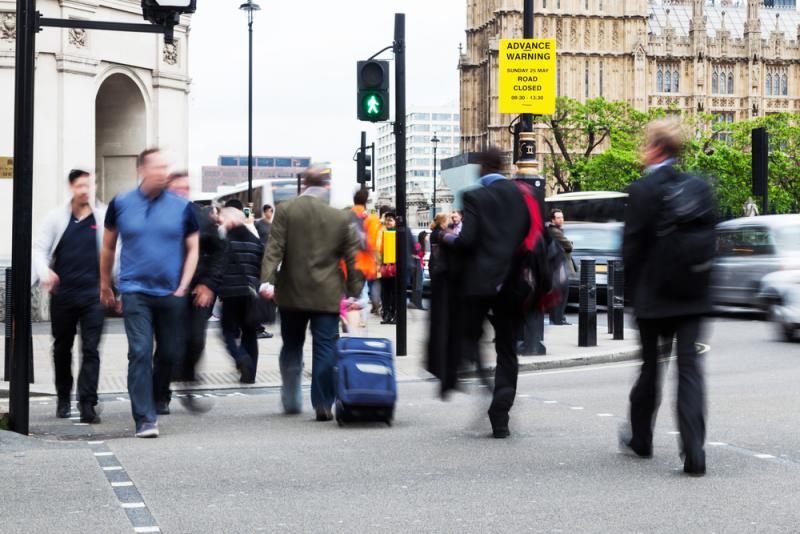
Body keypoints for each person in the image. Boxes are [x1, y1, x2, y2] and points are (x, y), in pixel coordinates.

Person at [620, 119, 715, 476]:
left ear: (656, 149)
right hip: (693, 296)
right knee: (689, 371)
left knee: (651, 369)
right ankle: (694, 451)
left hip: (654, 297)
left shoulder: (643, 190)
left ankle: (641, 438)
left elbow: (631, 249)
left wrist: (630, 298)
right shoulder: (699, 186)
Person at [436, 148, 538, 439]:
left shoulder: (475, 197)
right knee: (507, 350)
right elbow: (529, 235)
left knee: (468, 336)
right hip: (512, 284)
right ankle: (501, 413)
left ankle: (480, 378)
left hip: (480, 285)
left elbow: (467, 241)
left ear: (483, 167)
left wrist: (444, 237)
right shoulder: (522, 195)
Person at [100, 148, 199, 438]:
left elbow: (193, 248)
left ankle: (156, 397)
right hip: (135, 290)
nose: (164, 172)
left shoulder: (182, 207)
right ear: (142, 170)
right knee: (140, 351)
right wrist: (105, 284)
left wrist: (184, 284)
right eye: (158, 167)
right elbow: (107, 247)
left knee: (169, 353)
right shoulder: (120, 203)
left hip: (171, 293)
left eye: (166, 167)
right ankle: (145, 418)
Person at [260, 168, 362, 421]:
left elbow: (275, 248)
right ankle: (323, 403)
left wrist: (267, 281)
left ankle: (292, 397)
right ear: (326, 186)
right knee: (326, 348)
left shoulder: (286, 209)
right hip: (326, 295)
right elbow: (352, 258)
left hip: (291, 293)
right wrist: (354, 292)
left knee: (292, 345)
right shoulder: (339, 217)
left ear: (304, 184)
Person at [32, 169, 108, 423]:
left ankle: (88, 403)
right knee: (62, 348)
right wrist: (45, 272)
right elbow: (39, 249)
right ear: (71, 188)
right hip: (63, 294)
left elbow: (114, 251)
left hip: (93, 295)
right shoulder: (56, 218)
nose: (85, 190)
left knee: (91, 349)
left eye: (89, 185)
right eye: (80, 186)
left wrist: (113, 286)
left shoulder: (102, 216)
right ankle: (63, 397)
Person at [164, 172, 226, 408]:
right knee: (168, 343)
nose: (182, 192)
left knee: (195, 340)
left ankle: (187, 380)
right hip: (166, 289)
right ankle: (161, 394)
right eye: (177, 188)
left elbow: (220, 251)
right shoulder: (159, 216)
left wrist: (208, 284)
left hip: (196, 290)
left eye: (186, 188)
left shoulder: (201, 217)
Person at [218, 206, 264, 383]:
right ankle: (250, 375)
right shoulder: (255, 240)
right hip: (250, 294)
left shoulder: (224, 239)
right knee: (250, 332)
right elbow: (261, 266)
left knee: (228, 331)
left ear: (230, 221)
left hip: (230, 294)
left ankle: (240, 357)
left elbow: (218, 267)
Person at [349, 189, 382, 326]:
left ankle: (348, 316)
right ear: (366, 201)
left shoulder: (346, 215)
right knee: (362, 294)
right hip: (363, 263)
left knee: (350, 293)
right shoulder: (370, 218)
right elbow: (373, 244)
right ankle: (360, 320)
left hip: (346, 262)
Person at [547, 208, 574, 325]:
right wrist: (570, 244)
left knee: (560, 293)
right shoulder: (554, 231)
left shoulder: (557, 230)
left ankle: (557, 318)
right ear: (552, 220)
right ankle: (558, 318)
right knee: (561, 293)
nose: (561, 220)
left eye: (562, 217)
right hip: (558, 267)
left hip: (558, 266)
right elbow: (569, 245)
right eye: (558, 218)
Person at [379, 211, 398, 325]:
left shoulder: (398, 233)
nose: (388, 222)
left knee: (395, 293)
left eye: (390, 220)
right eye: (387, 220)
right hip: (385, 267)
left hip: (395, 268)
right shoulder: (382, 233)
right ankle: (386, 314)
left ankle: (395, 314)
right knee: (385, 293)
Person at [410, 230, 427, 310]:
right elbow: (411, 253)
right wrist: (415, 257)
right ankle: (417, 303)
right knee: (418, 285)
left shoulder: (422, 245)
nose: (428, 238)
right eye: (426, 236)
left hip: (421, 266)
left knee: (419, 285)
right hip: (417, 267)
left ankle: (416, 302)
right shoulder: (418, 245)